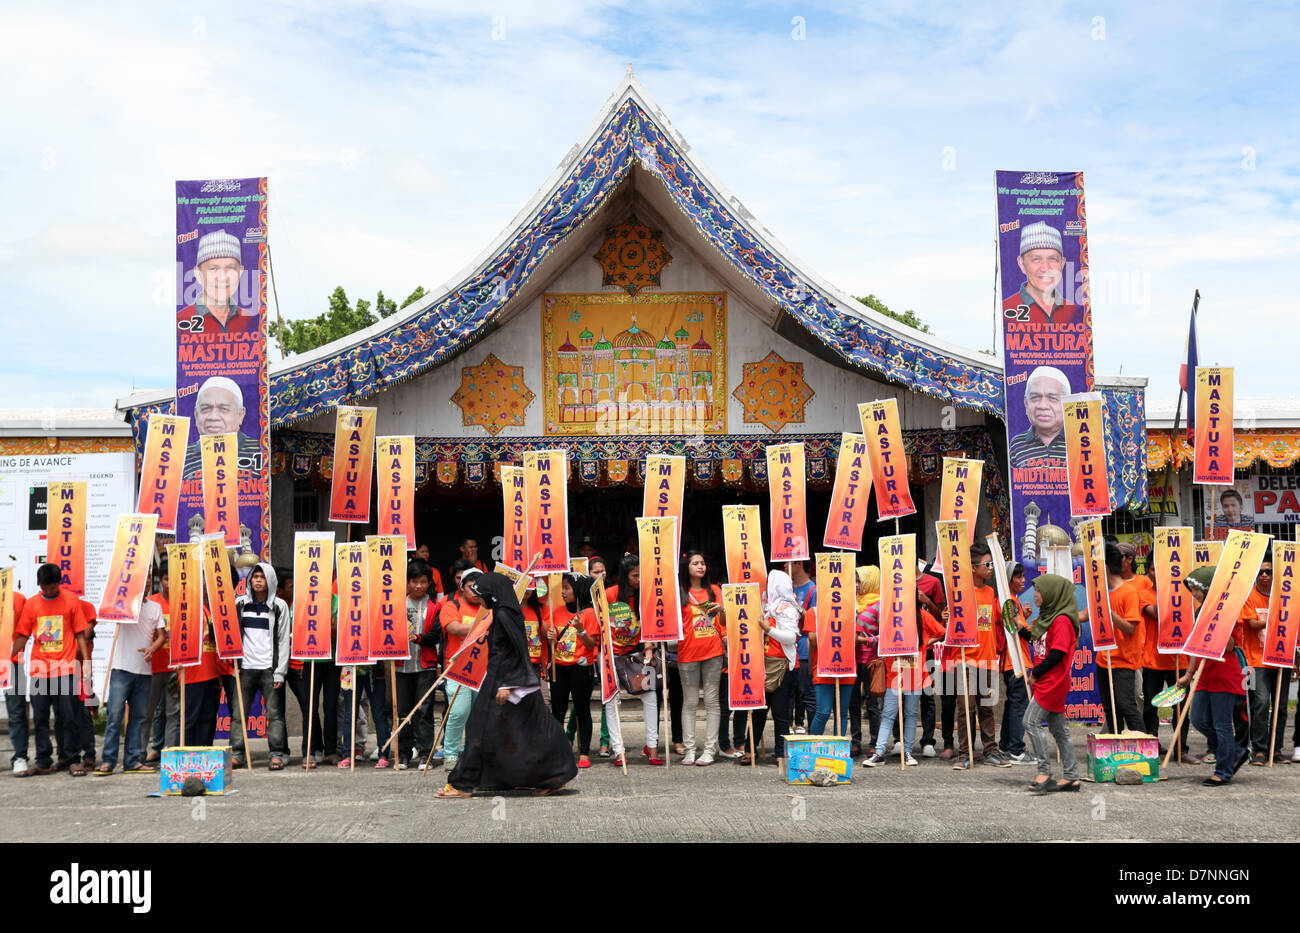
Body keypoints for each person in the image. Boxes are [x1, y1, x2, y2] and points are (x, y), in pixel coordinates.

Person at [436, 573, 579, 798]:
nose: (478, 597)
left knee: (482, 728)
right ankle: (541, 778)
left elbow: (516, 651)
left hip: (508, 683)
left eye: (480, 593)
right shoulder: (502, 613)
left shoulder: (504, 615)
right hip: (505, 680)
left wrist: (507, 685)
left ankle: (462, 784)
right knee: (519, 732)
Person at [12, 564, 91, 776]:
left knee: (69, 716)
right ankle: (43, 760)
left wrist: (86, 664)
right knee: (40, 718)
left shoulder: (70, 601)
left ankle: (73, 759)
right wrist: (7, 655)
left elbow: (80, 633)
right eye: (45, 587)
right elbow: (22, 635)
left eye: (53, 586)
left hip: (65, 668)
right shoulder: (32, 605)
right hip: (39, 670)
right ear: (40, 585)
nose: (49, 590)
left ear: (59, 582)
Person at [1177, 567, 1250, 786]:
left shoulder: (1225, 610)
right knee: (1198, 719)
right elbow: (1195, 644)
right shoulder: (1200, 611)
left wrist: (1219, 625)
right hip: (1203, 671)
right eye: (1191, 590)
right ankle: (1235, 751)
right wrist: (1188, 674)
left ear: (1208, 587)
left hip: (1224, 671)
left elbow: (1229, 646)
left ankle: (1223, 771)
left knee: (1222, 724)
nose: (1194, 593)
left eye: (1196, 589)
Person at [945, 542, 1010, 768]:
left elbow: (1002, 620)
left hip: (988, 659)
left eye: (991, 564)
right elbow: (949, 621)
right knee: (965, 708)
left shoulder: (991, 592)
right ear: (973, 567)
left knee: (986, 708)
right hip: (965, 660)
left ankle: (991, 750)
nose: (990, 568)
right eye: (987, 564)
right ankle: (965, 754)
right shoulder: (958, 594)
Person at [95, 576, 166, 775]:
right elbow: (105, 611)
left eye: (146, 583)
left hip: (144, 671)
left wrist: (152, 648)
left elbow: (162, 635)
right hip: (121, 668)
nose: (142, 587)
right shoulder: (122, 604)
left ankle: (133, 760)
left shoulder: (155, 607)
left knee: (139, 717)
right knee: (114, 715)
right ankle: (108, 761)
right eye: (139, 582)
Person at [863, 594, 943, 767]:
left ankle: (907, 751)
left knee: (910, 713)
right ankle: (879, 752)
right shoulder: (890, 615)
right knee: (889, 714)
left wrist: (924, 644)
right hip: (895, 673)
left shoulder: (922, 614)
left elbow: (941, 633)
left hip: (914, 673)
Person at [1021, 573, 1081, 792]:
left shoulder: (1062, 620)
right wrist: (1019, 627)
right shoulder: (1048, 616)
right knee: (1059, 730)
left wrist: (1036, 672)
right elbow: (1036, 638)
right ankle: (1072, 776)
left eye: (1038, 590)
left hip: (1053, 681)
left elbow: (1057, 653)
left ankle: (1044, 772)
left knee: (1030, 722)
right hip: (1048, 680)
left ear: (1051, 593)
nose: (1035, 594)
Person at [230, 563, 292, 770]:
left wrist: (280, 673)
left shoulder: (279, 606)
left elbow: (284, 641)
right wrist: (233, 666)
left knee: (274, 715)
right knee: (239, 714)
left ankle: (277, 754)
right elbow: (230, 636)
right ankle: (237, 753)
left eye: (262, 577)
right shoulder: (239, 604)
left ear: (270, 580)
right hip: (245, 668)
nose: (257, 580)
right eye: (254, 576)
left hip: (269, 669)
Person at [1138, 556, 1196, 762]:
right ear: (1148, 572)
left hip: (1179, 660)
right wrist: (1172, 598)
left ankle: (1182, 749)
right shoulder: (1145, 593)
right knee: (1150, 707)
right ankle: (1151, 747)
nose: (1156, 574)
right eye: (1152, 570)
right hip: (1152, 660)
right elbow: (1154, 613)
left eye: (1159, 570)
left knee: (1180, 708)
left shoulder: (1183, 594)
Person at [606, 555, 662, 765]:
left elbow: (651, 624)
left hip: (638, 656)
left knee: (650, 697)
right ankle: (618, 751)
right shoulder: (610, 594)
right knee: (612, 703)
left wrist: (649, 649)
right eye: (634, 575)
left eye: (641, 575)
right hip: (611, 656)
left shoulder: (646, 595)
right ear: (624, 576)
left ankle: (653, 748)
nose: (639, 579)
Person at [674, 551, 725, 765]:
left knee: (712, 701)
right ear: (687, 567)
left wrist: (721, 609)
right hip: (687, 652)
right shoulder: (679, 593)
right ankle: (689, 750)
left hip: (713, 651)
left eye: (703, 563)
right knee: (690, 702)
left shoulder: (714, 591)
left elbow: (725, 620)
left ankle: (710, 750)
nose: (700, 566)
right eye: (695, 563)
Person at [547, 573, 600, 768]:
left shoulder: (589, 613)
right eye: (562, 587)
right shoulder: (558, 611)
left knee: (582, 709)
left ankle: (584, 753)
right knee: (558, 711)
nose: (563, 591)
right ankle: (559, 751)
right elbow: (552, 641)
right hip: (559, 667)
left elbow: (591, 644)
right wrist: (550, 636)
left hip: (580, 668)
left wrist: (581, 630)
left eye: (567, 588)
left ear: (578, 591)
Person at [747, 570, 800, 762]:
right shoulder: (767, 608)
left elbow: (791, 638)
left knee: (780, 712)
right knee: (759, 709)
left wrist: (768, 629)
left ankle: (780, 753)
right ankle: (749, 750)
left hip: (783, 667)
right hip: (763, 665)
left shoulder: (787, 608)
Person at [397, 559, 445, 771]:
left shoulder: (435, 606)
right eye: (414, 581)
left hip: (425, 666)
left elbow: (436, 636)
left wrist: (417, 638)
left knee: (425, 711)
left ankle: (426, 753)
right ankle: (404, 753)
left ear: (429, 583)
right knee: (403, 712)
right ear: (407, 583)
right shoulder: (396, 605)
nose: (418, 586)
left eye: (423, 582)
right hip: (400, 666)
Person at [1097, 541, 1147, 734]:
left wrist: (1110, 613)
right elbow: (1087, 614)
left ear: (1106, 567)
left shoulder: (1129, 593)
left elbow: (1130, 628)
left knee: (1126, 705)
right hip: (1104, 660)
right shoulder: (1101, 594)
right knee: (1110, 707)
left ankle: (1144, 747)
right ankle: (1116, 744)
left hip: (1123, 661)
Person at [805, 563, 859, 739]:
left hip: (846, 668)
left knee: (842, 713)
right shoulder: (813, 612)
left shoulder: (849, 611)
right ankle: (813, 746)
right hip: (822, 669)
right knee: (823, 711)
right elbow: (812, 638)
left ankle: (838, 749)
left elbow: (854, 639)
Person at [1240, 556, 1284, 765]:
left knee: (1280, 707)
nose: (1264, 575)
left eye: (1268, 572)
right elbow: (1252, 624)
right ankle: (1259, 749)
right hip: (1254, 661)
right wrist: (1276, 618)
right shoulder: (1250, 596)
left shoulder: (1283, 597)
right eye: (1261, 572)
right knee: (1260, 703)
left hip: (1281, 659)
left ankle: (1276, 748)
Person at [182, 376, 262, 479]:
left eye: (224, 409)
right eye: (205, 409)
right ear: (196, 415)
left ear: (240, 415)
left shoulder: (261, 451)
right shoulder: (180, 458)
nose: (213, 417)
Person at [1001, 220, 1078, 325]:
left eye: (1053, 259)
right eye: (1036, 259)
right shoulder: (1005, 310)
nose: (1045, 268)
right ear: (1022, 263)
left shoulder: (1074, 312)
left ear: (1062, 263)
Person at [177, 230, 255, 332]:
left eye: (230, 268)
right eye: (213, 268)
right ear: (198, 274)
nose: (222, 277)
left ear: (240, 272)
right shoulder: (180, 321)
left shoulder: (251, 321)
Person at [142, 562, 181, 761]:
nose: (170, 584)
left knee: (173, 711)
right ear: (161, 581)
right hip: (153, 669)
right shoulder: (151, 603)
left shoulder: (183, 605)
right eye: (167, 579)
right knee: (148, 712)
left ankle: (169, 751)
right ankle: (142, 752)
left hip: (175, 670)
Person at [998, 562, 1034, 764]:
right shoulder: (1008, 602)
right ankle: (1016, 749)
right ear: (1009, 579)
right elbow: (1020, 630)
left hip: (1014, 660)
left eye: (1023, 577)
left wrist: (1025, 619)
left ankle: (1005, 746)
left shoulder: (1012, 602)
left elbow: (1017, 626)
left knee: (1013, 704)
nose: (1022, 581)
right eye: (1018, 577)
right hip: (1016, 661)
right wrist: (1030, 628)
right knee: (1019, 705)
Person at [1008, 366, 1071, 468]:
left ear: (1067, 403)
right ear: (1026, 403)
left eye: (1053, 398)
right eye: (1035, 398)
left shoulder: (1082, 442)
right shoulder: (1017, 444)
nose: (1043, 406)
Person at [850, 565, 882, 757]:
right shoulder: (850, 602)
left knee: (873, 704)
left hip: (871, 660)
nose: (856, 585)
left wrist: (864, 640)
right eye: (855, 581)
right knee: (852, 703)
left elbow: (885, 635)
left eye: (859, 580)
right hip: (851, 660)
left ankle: (875, 742)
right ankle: (855, 742)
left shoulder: (879, 604)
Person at [4, 584, 30, 774]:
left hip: (11, 661)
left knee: (17, 711)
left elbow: (25, 630)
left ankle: (20, 756)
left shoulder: (18, 599)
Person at [789, 559, 817, 732]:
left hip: (805, 648)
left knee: (807, 693)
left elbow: (814, 621)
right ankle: (790, 728)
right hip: (787, 647)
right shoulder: (785, 588)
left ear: (799, 564)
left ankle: (814, 733)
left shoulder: (813, 590)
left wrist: (797, 606)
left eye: (788, 563)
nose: (785, 566)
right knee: (789, 692)